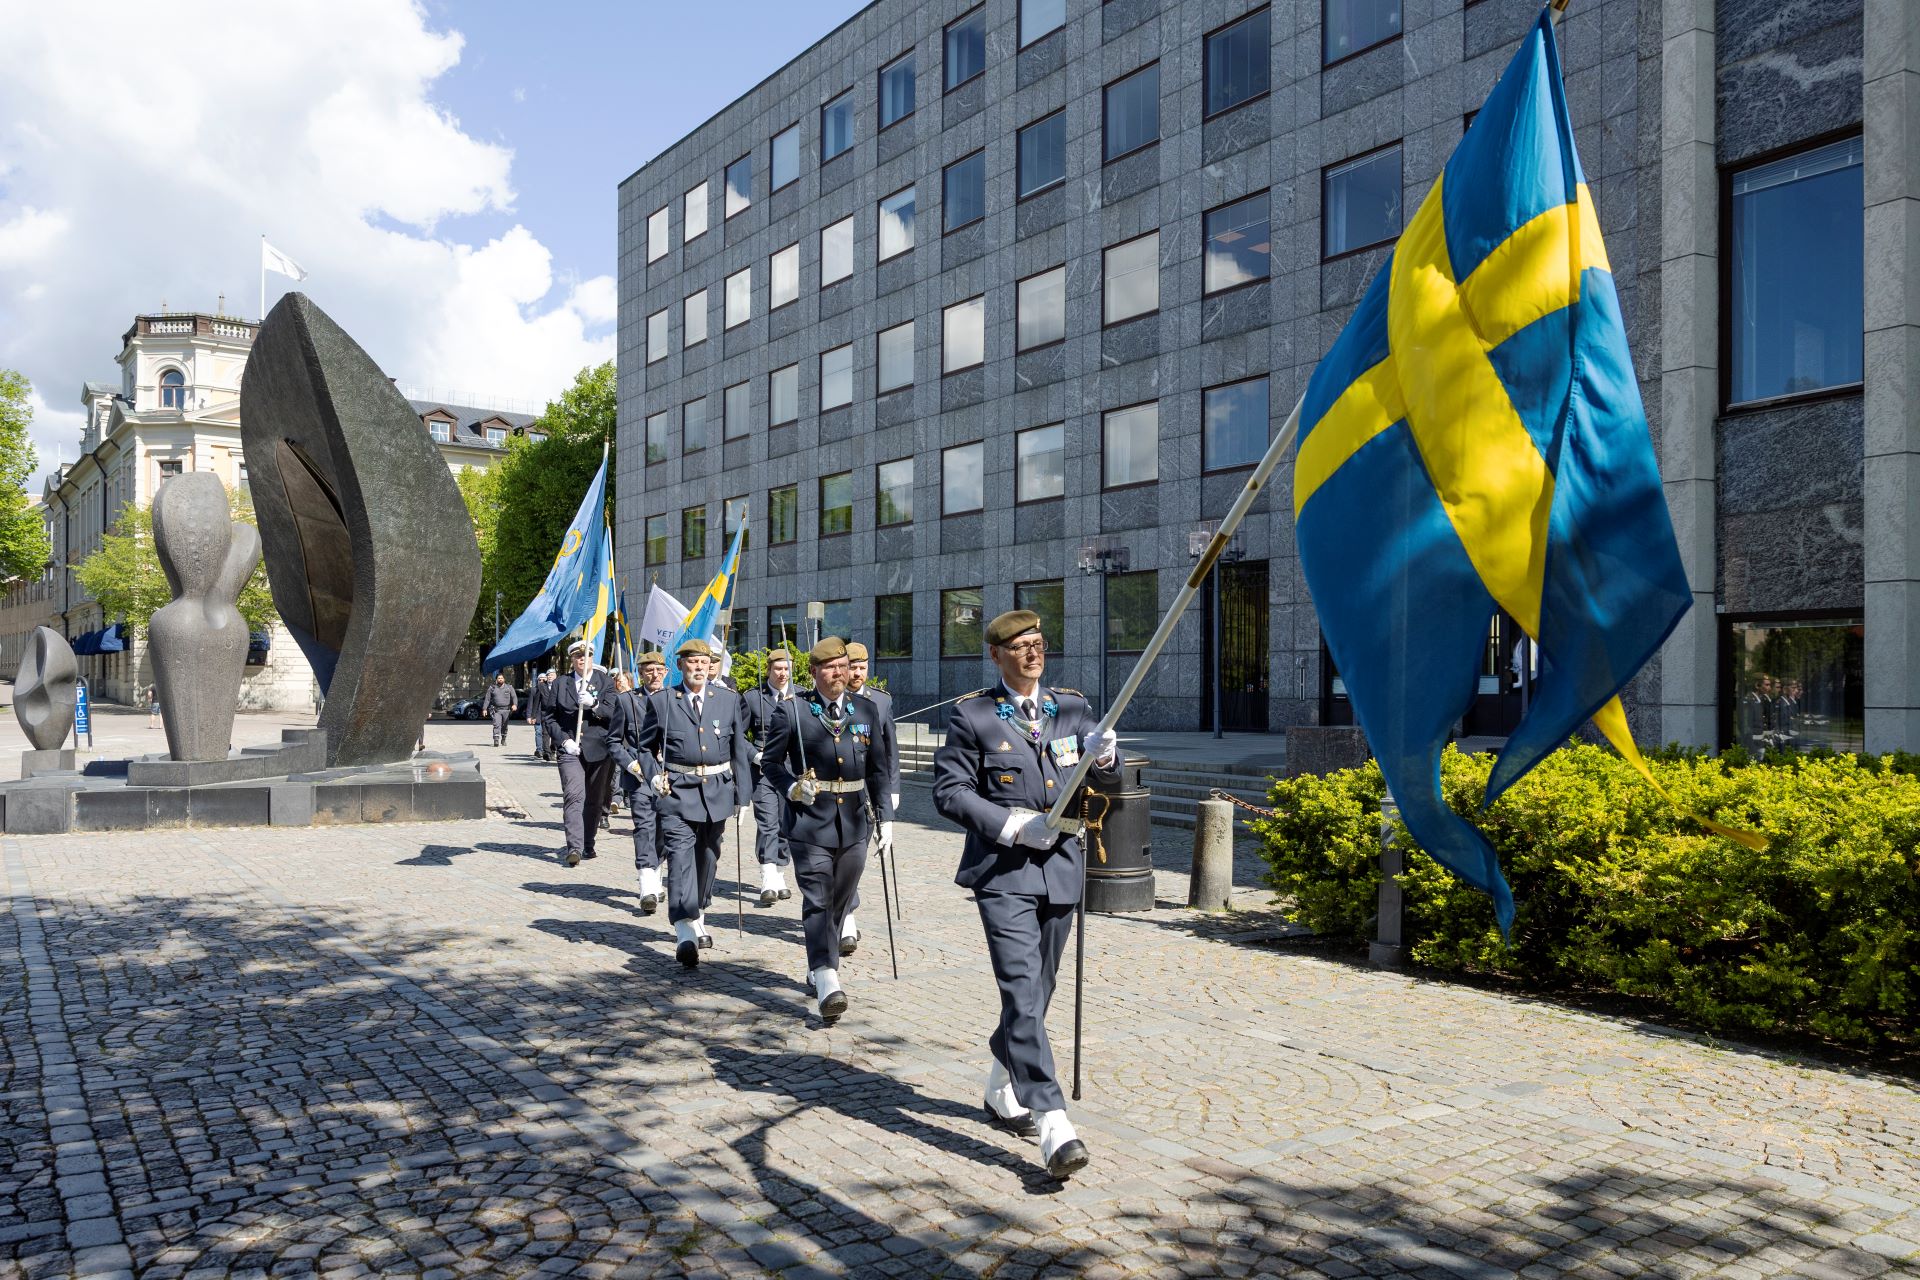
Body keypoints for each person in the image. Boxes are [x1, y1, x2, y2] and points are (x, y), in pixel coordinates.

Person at [932, 609, 1118, 1180]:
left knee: (1038, 988)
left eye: (1039, 643)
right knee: (1021, 984)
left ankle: (998, 1084)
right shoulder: (975, 716)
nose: (1033, 654)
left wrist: (1105, 757)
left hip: (1061, 866)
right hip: (1004, 871)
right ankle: (1053, 1120)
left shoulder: (1071, 708)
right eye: (1020, 647)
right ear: (996, 656)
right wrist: (1012, 824)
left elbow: (1093, 778)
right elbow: (950, 791)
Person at [762, 637, 891, 1022]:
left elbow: (878, 769)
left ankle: (820, 961)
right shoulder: (793, 712)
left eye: (844, 667)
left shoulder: (866, 709)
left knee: (840, 897)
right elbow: (770, 763)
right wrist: (791, 787)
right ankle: (827, 976)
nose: (840, 673)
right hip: (810, 820)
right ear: (815, 672)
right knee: (817, 896)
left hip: (853, 821)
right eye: (831, 668)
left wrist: (886, 817)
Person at [633, 638, 752, 967]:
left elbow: (739, 749)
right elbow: (645, 747)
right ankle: (685, 927)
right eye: (692, 663)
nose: (698, 668)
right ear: (681, 666)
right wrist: (654, 774)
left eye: (703, 663)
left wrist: (744, 797)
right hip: (677, 791)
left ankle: (698, 908)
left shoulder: (728, 701)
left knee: (709, 856)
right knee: (680, 855)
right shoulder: (663, 701)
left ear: (710, 666)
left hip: (718, 790)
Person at [842, 641, 900, 952]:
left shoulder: (880, 701)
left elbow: (890, 751)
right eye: (853, 667)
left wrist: (892, 790)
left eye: (862, 667)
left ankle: (845, 909)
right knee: (845, 857)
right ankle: (847, 917)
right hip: (840, 791)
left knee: (857, 858)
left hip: (870, 791)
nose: (858, 673)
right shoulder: (832, 699)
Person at [543, 639, 618, 867]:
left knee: (594, 800)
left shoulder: (605, 682)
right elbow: (549, 716)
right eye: (577, 656)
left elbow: (613, 713)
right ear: (572, 659)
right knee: (574, 796)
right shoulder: (561, 683)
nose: (582, 660)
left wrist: (595, 704)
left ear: (593, 658)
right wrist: (563, 740)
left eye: (586, 656)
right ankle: (573, 847)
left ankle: (588, 843)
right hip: (570, 749)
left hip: (598, 749)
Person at [607, 667, 667, 912]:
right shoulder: (626, 700)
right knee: (644, 826)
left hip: (668, 777)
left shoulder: (673, 699)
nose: (654, 675)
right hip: (640, 776)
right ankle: (647, 885)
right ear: (641, 674)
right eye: (649, 671)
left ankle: (657, 873)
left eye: (659, 671)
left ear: (666, 672)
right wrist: (630, 764)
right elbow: (613, 741)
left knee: (664, 829)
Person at [742, 649, 798, 907]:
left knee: (786, 822)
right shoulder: (752, 698)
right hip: (764, 771)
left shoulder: (801, 697)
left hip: (791, 770)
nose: (782, 673)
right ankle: (767, 875)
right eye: (778, 668)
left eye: (787, 668)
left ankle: (780, 873)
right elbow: (738, 736)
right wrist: (755, 756)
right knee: (767, 822)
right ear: (768, 670)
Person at [529, 668, 558, 760]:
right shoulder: (541, 686)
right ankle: (547, 752)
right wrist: (533, 715)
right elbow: (536, 701)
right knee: (545, 733)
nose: (549, 676)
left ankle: (553, 750)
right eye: (548, 675)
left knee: (555, 734)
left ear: (555, 676)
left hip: (556, 713)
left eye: (551, 675)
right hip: (545, 713)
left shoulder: (559, 685)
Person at [484, 673, 517, 747]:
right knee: (496, 724)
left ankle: (503, 739)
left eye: (501, 678)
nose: (500, 679)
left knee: (505, 726)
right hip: (497, 710)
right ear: (496, 679)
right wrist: (484, 709)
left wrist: (515, 704)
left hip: (506, 710)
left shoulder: (509, 687)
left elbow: (514, 697)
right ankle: (496, 740)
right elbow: (487, 699)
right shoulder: (492, 688)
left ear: (504, 679)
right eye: (499, 678)